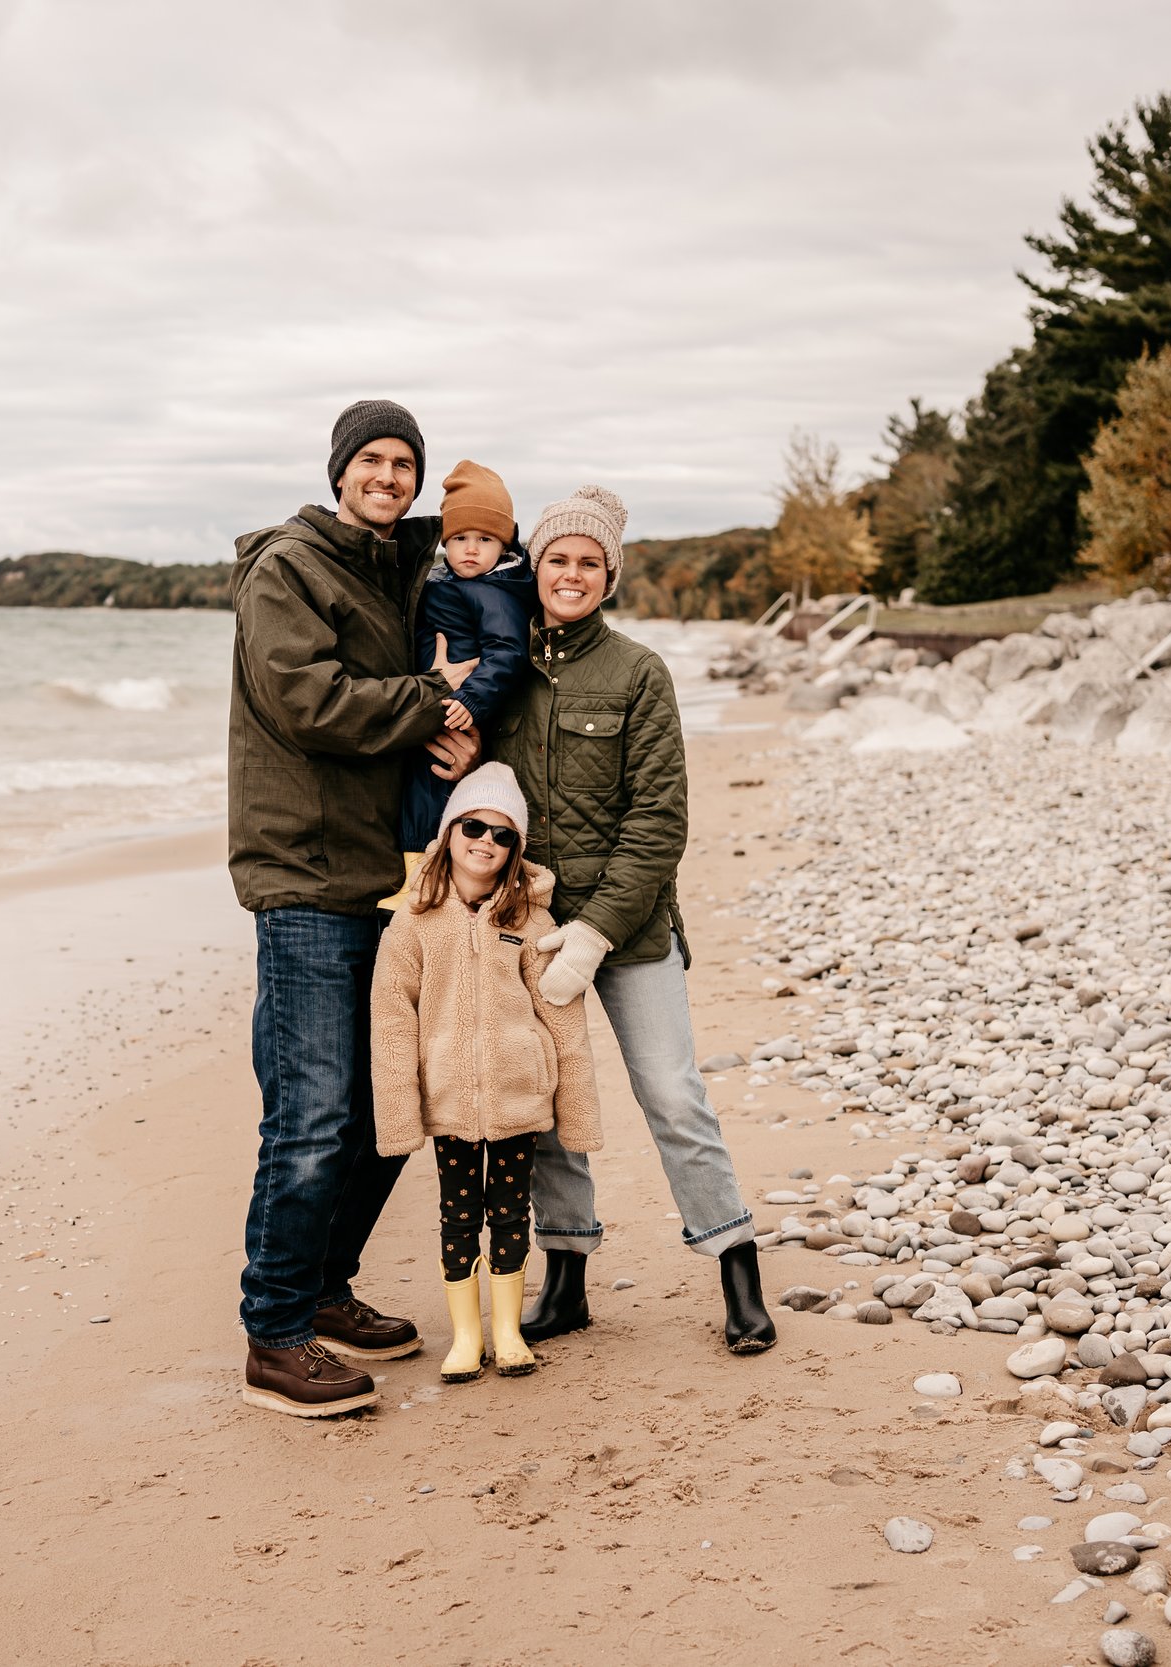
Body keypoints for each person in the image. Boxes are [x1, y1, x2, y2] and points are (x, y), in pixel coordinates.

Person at [226, 398, 480, 1418]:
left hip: (383, 869)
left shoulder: (394, 564)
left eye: (402, 462)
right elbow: (308, 699)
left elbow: (482, 560)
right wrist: (429, 700)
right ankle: (276, 1332)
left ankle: (325, 1288)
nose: (387, 475)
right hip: (303, 873)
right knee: (314, 1110)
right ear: (338, 471)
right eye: (370, 460)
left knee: (385, 1111)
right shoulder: (287, 569)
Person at [491, 484, 776, 1355]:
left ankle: (736, 1263)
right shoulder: (501, 668)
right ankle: (566, 1276)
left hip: (632, 930)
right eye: (556, 558)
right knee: (544, 1105)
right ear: (533, 568)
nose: (570, 573)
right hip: (528, 929)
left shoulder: (638, 672)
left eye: (588, 562)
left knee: (671, 1093)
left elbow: (660, 821)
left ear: (608, 577)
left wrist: (597, 929)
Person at [370, 762, 601, 1384]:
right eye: (474, 826)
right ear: (449, 832)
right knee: (458, 1213)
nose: (486, 843)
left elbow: (563, 1020)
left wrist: (577, 1112)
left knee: (510, 1212)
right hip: (448, 1098)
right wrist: (399, 1116)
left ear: (516, 849)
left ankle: (507, 1330)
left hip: (518, 1098)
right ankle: (466, 1335)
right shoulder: (412, 922)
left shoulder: (531, 922)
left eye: (503, 836)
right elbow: (392, 1024)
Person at [395, 462, 535, 862]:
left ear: (503, 545)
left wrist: (470, 698)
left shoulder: (494, 592)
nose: (470, 548)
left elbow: (507, 652)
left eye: (484, 538)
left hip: (457, 706)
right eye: (459, 537)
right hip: (434, 698)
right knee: (418, 788)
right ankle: (415, 868)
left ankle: (420, 867)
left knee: (434, 787)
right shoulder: (449, 580)